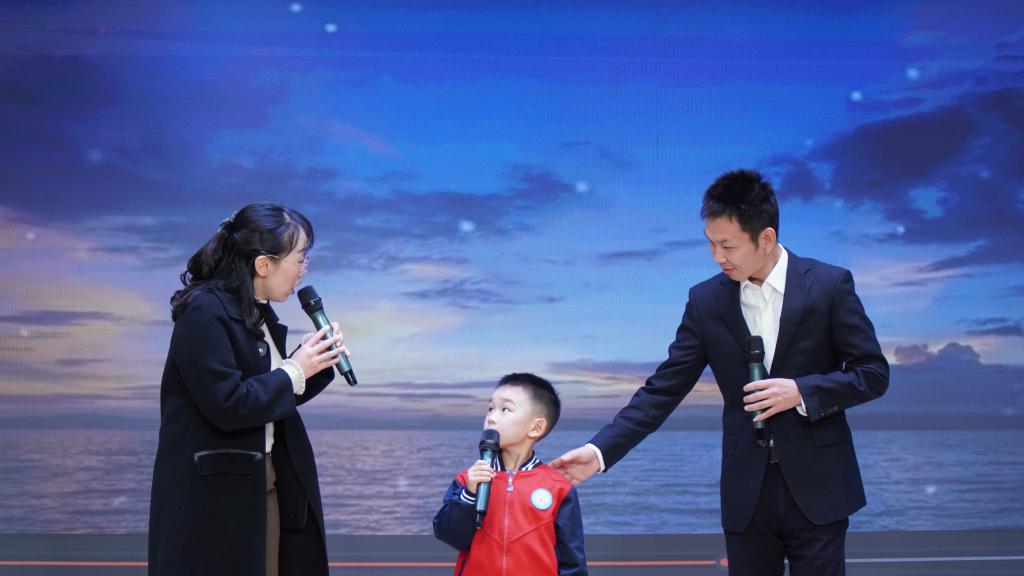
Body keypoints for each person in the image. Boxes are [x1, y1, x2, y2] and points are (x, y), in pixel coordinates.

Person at [551, 170, 889, 575]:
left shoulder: (829, 285)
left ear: (766, 239)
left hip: (821, 485)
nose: (716, 256)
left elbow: (872, 373)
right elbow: (663, 390)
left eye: (727, 246)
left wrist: (801, 392)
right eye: (710, 244)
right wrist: (600, 452)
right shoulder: (706, 300)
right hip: (747, 491)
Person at [148, 203, 349, 576]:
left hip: (259, 479)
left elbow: (267, 396)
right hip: (216, 496)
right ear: (263, 264)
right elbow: (229, 403)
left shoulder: (254, 311)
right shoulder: (204, 310)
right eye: (300, 259)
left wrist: (316, 362)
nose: (303, 270)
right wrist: (296, 367)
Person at [433, 373, 588, 576]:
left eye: (505, 409)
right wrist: (468, 496)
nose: (491, 418)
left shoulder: (558, 487)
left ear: (536, 427)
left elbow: (572, 562)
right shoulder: (468, 479)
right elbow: (450, 536)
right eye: (490, 409)